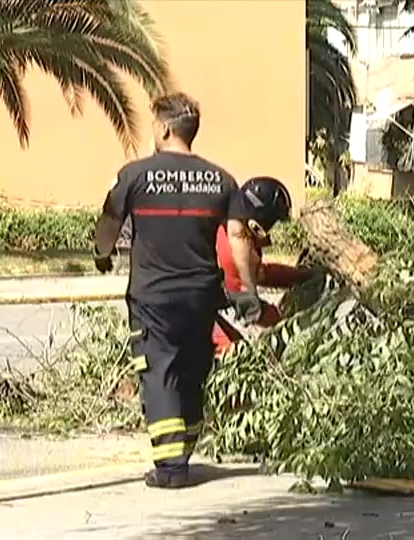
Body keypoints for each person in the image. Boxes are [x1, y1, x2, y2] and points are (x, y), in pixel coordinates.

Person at [91, 92, 264, 489]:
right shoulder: (221, 180)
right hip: (201, 295)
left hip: (154, 297)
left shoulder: (134, 176)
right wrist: (248, 291)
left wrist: (101, 253)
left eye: (154, 123)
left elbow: (109, 223)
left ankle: (171, 469)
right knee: (190, 371)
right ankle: (183, 452)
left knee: (159, 372)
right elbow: (237, 234)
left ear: (164, 128)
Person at [211, 177, 316, 355]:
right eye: (273, 224)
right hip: (181, 311)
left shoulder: (235, 233)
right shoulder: (231, 253)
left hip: (195, 304)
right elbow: (249, 308)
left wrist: (302, 276)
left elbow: (262, 274)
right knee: (234, 355)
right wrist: (288, 326)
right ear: (257, 225)